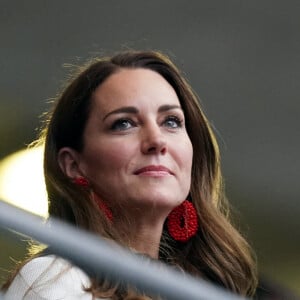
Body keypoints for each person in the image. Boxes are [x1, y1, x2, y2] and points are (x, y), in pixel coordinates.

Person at [2, 50, 257, 299]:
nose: (156, 140)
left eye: (171, 121)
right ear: (73, 164)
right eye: (123, 123)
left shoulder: (197, 288)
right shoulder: (54, 277)